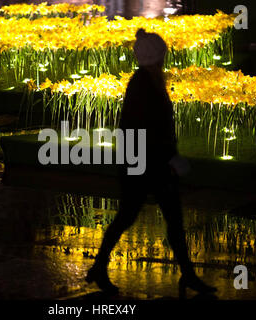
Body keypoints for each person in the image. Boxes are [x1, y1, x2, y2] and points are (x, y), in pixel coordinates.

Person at [86, 28, 217, 298]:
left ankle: (188, 275)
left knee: (170, 220)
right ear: (156, 57)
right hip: (144, 165)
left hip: (150, 163)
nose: (164, 60)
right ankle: (100, 267)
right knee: (130, 217)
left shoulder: (150, 81)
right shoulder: (142, 85)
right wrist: (169, 158)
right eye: (162, 55)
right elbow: (145, 128)